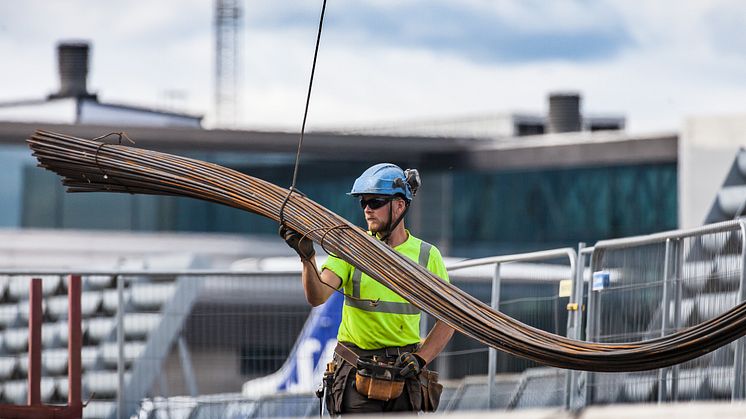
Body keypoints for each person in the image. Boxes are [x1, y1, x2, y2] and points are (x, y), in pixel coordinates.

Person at [280, 163, 454, 415]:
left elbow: (449, 319)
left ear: (399, 205)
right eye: (363, 203)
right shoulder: (351, 247)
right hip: (356, 374)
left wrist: (420, 358)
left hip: (404, 375)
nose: (367, 209)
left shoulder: (427, 256)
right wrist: (307, 258)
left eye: (376, 202)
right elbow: (317, 296)